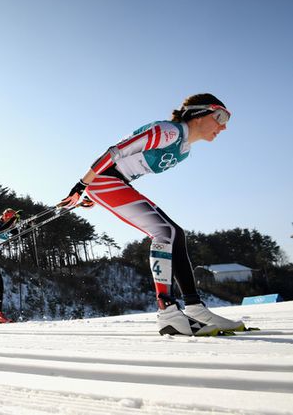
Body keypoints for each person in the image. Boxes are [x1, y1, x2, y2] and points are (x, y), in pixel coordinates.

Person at [60, 93, 245, 336]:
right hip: (105, 180)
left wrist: (94, 195)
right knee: (163, 231)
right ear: (198, 114)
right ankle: (167, 313)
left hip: (114, 183)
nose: (223, 125)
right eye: (220, 116)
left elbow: (126, 168)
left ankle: (195, 307)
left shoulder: (184, 149)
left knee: (176, 233)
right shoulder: (168, 131)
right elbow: (115, 152)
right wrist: (82, 186)